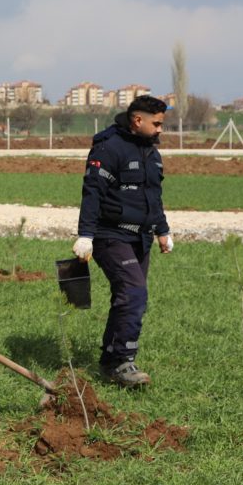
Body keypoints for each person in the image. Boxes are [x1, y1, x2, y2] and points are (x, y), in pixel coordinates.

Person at [73, 95, 173, 387]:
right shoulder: (109, 147)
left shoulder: (152, 153)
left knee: (129, 298)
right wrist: (86, 235)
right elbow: (92, 192)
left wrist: (162, 230)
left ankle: (109, 360)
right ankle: (122, 362)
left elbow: (153, 196)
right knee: (134, 292)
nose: (160, 130)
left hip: (140, 237)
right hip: (110, 234)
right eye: (156, 123)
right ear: (137, 120)